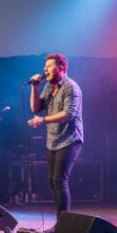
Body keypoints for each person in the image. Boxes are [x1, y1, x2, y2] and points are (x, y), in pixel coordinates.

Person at [27, 53, 84, 218]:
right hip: (53, 140)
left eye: (49, 66)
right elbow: (36, 108)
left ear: (61, 68)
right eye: (45, 67)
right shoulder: (47, 87)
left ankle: (63, 222)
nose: (45, 70)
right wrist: (35, 87)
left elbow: (68, 114)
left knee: (59, 180)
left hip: (70, 139)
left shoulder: (71, 87)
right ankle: (61, 221)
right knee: (52, 181)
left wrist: (43, 120)